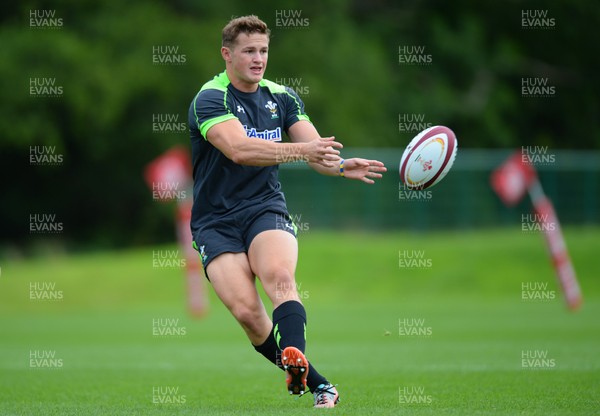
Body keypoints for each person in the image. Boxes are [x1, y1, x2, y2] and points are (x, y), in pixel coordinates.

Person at [188, 15, 386, 408]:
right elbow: (240, 150)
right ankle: (318, 382)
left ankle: (294, 352)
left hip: (265, 209)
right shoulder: (211, 97)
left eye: (263, 50)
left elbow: (316, 150)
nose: (258, 58)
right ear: (227, 55)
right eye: (249, 51)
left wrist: (342, 166)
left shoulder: (282, 96)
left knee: (279, 276)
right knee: (247, 312)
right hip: (215, 221)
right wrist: (304, 152)